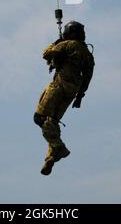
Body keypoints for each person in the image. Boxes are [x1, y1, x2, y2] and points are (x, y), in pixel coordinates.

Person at [34, 21, 95, 175]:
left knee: (40, 118)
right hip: (72, 90)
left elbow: (46, 54)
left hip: (59, 85)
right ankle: (51, 157)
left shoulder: (67, 45)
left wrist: (56, 42)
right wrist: (80, 96)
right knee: (52, 122)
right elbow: (88, 77)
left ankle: (58, 147)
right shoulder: (87, 54)